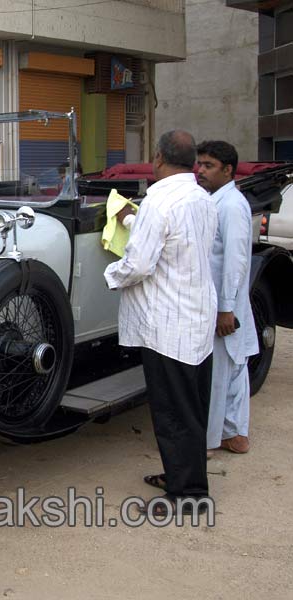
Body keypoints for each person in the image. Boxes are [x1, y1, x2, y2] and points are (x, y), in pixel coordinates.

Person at [104, 130, 218, 517]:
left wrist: (110, 276)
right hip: (195, 318)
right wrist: (135, 220)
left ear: (158, 158)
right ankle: (183, 477)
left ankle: (188, 495)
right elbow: (176, 243)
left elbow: (139, 265)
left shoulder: (159, 200)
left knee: (172, 411)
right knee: (192, 406)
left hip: (168, 325)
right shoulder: (202, 198)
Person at [196, 141, 259, 456]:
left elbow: (235, 261)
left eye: (208, 165)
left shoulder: (231, 205)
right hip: (223, 302)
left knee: (220, 371)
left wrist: (226, 310)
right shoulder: (215, 201)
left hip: (225, 304)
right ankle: (234, 435)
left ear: (228, 170)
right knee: (233, 367)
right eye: (200, 164)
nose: (201, 170)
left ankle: (209, 442)